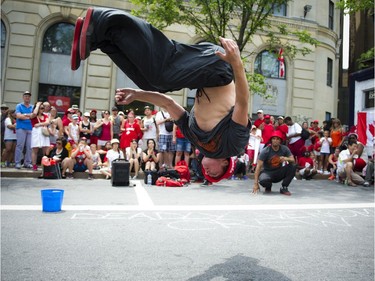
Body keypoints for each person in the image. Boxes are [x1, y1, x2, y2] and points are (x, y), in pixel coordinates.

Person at [72, 7, 251, 182]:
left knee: (149, 82)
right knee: (164, 75)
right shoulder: (233, 145)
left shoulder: (195, 138)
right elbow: (242, 102)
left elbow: (168, 103)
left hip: (208, 72)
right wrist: (237, 63)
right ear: (225, 163)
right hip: (219, 67)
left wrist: (137, 94)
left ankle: (101, 38)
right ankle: (103, 20)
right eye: (215, 174)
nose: (208, 173)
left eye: (209, 176)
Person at [252, 131, 296, 196]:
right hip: (268, 172)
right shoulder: (265, 151)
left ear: (280, 141)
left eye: (277, 139)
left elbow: (293, 160)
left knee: (293, 166)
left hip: (279, 172)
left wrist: (286, 159)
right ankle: (268, 186)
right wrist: (255, 183)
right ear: (271, 140)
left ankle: (284, 187)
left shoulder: (284, 149)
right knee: (262, 180)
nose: (275, 140)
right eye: (274, 139)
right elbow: (258, 167)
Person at [14, 91, 34, 169]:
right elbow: (18, 116)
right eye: (26, 96)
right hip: (21, 127)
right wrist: (29, 116)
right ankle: (17, 163)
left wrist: (24, 115)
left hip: (30, 128)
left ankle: (27, 163)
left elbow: (34, 116)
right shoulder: (19, 106)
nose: (27, 97)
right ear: (23, 97)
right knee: (20, 146)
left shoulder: (32, 107)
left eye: (28, 96)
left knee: (29, 146)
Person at [30, 102, 50, 171]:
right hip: (36, 132)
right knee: (35, 149)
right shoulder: (33, 115)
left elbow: (47, 122)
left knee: (45, 149)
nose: (42, 109)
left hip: (43, 132)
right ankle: (34, 165)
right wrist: (37, 105)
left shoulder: (45, 116)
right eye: (41, 108)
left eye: (43, 108)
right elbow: (34, 114)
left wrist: (39, 124)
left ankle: (44, 164)